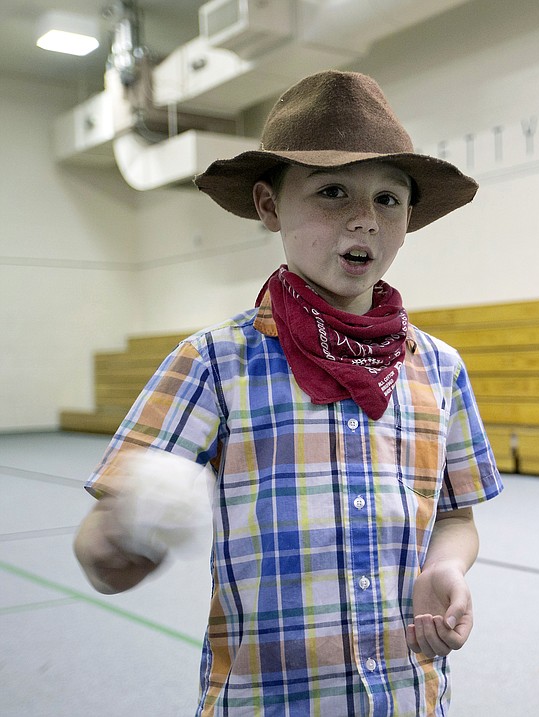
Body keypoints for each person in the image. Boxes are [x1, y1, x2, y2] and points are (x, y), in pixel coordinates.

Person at [72, 70, 503, 716]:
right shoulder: (215, 363)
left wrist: (446, 567)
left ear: (410, 215)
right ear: (269, 205)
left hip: (406, 696)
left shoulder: (438, 368)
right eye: (333, 191)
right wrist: (117, 542)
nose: (364, 218)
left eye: (389, 198)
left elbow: (455, 516)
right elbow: (98, 541)